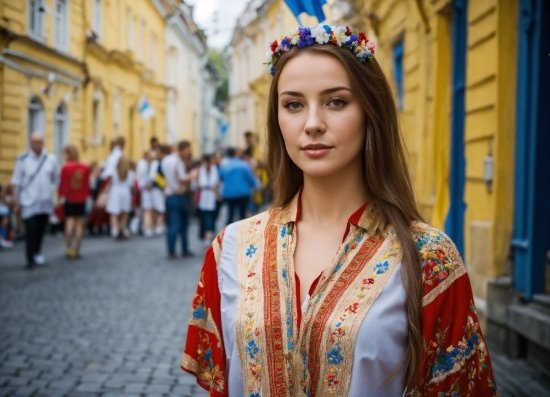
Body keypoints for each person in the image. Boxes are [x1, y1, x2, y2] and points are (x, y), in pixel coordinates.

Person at [180, 25, 497, 396]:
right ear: (277, 119)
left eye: (336, 102)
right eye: (293, 104)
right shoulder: (232, 249)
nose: (313, 123)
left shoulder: (428, 257)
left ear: (370, 112)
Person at [11, 131, 59, 269]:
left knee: (41, 229)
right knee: (31, 229)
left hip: (44, 202)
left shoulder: (51, 159)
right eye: (35, 142)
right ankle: (29, 257)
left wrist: (50, 191)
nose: (38, 145)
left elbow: (56, 178)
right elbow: (16, 182)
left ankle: (37, 252)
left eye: (40, 142)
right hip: (28, 202)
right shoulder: (22, 159)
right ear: (30, 143)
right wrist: (16, 201)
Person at [58, 144, 90, 259]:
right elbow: (87, 184)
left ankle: (68, 248)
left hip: (69, 198)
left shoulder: (65, 167)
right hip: (81, 198)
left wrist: (60, 197)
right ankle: (77, 250)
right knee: (79, 226)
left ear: (68, 154)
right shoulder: (85, 167)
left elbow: (63, 185)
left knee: (69, 224)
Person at [162, 142, 193, 258]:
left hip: (169, 194)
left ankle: (171, 250)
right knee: (183, 223)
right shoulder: (177, 161)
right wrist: (192, 175)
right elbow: (181, 179)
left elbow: (158, 176)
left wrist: (166, 188)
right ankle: (184, 249)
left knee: (173, 224)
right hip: (179, 194)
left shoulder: (165, 160)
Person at [219, 147, 258, 225]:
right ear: (236, 154)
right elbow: (250, 179)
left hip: (229, 194)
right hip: (243, 193)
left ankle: (228, 231)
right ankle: (242, 232)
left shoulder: (224, 165)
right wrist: (254, 185)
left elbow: (221, 177)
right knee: (242, 215)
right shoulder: (243, 164)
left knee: (230, 214)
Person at [105, 151, 134, 239]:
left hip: (115, 191)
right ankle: (122, 228)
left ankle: (115, 230)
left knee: (114, 212)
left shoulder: (114, 171)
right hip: (125, 192)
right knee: (124, 212)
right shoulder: (130, 173)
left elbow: (110, 182)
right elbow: (130, 184)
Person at [197, 154, 219, 247]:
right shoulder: (201, 169)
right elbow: (202, 183)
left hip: (211, 197)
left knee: (211, 216)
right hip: (204, 197)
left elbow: (215, 182)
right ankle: (207, 236)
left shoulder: (213, 169)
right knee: (206, 217)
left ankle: (208, 235)